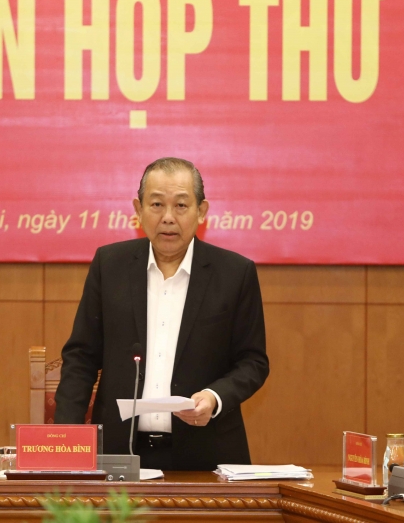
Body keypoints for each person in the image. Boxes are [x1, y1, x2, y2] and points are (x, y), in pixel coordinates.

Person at [54, 157, 269, 471]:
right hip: (120, 455)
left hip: (207, 457)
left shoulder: (235, 273)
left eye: (181, 205)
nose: (168, 217)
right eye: (156, 204)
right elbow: (81, 357)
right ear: (138, 210)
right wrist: (67, 441)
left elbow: (253, 361)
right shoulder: (110, 265)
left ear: (202, 211)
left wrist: (214, 396)